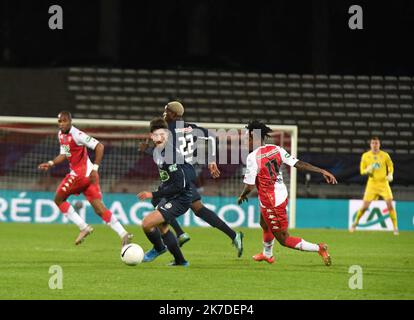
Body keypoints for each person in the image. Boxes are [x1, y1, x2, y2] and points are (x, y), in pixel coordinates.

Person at [139, 101, 243, 261]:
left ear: (173, 114)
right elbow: (213, 136)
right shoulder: (191, 127)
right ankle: (234, 235)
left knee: (159, 198)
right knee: (198, 208)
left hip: (178, 172)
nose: (164, 114)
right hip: (188, 170)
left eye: (166, 111)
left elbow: (167, 152)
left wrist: (147, 150)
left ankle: (178, 235)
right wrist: (212, 160)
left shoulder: (169, 129)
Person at [237, 120, 337, 266]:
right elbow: (299, 164)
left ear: (255, 137)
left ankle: (319, 248)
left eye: (248, 139)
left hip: (272, 202)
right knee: (264, 223)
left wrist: (243, 194)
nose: (246, 142)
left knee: (284, 239)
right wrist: (321, 170)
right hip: (279, 194)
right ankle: (267, 254)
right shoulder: (276, 149)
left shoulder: (252, 158)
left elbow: (250, 186)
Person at [38, 111, 132, 246]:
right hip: (89, 178)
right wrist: (51, 163)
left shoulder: (77, 134)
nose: (62, 124)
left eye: (65, 121)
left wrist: (95, 168)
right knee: (100, 209)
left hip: (80, 175)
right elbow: (64, 154)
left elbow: (99, 146)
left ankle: (83, 227)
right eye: (60, 121)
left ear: (70, 121)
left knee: (58, 199)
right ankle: (123, 233)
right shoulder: (61, 135)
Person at [137, 117, 191, 266]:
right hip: (171, 195)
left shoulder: (171, 155)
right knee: (163, 226)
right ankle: (180, 261)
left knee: (147, 223)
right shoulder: (157, 151)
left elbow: (179, 185)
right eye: (156, 135)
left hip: (180, 198)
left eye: (162, 134)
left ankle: (159, 248)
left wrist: (153, 194)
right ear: (151, 136)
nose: (159, 138)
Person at [350, 137, 398, 235]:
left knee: (390, 205)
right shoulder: (365, 156)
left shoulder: (385, 155)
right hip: (372, 184)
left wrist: (390, 174)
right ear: (370, 144)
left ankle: (395, 228)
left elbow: (390, 166)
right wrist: (367, 171)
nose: (375, 145)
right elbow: (362, 171)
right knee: (364, 207)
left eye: (376, 143)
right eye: (373, 143)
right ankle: (355, 224)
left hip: (384, 184)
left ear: (379, 144)